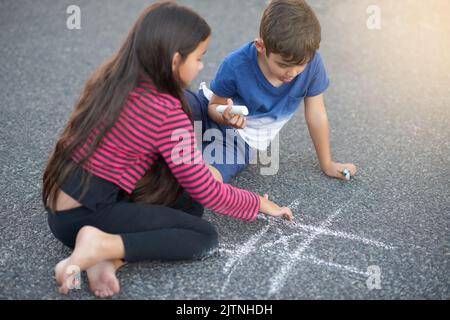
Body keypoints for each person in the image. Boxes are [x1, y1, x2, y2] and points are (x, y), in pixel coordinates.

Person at [42, 2, 293, 298]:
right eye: (199, 58)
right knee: (201, 235)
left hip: (62, 206)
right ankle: (100, 244)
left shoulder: (114, 78)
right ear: (175, 60)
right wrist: (257, 204)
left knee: (187, 203)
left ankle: (107, 257)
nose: (201, 67)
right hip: (84, 217)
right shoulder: (167, 111)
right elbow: (208, 191)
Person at [186, 0, 357, 183]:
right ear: (261, 46)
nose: (292, 73)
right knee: (170, 106)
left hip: (241, 141)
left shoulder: (313, 63)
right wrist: (224, 116)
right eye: (283, 65)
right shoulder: (236, 64)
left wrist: (327, 163)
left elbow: (316, 114)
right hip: (206, 112)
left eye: (300, 65)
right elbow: (214, 106)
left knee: (203, 179)